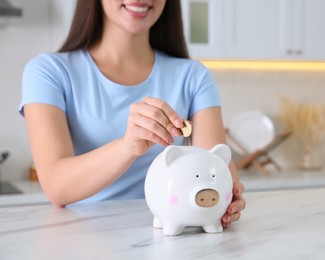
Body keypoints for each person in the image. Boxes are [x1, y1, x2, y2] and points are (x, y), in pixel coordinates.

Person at [19, 0, 245, 228]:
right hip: (82, 235)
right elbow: (56, 187)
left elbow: (215, 163)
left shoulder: (194, 76)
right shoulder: (48, 72)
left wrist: (227, 198)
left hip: (169, 234)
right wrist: (127, 147)